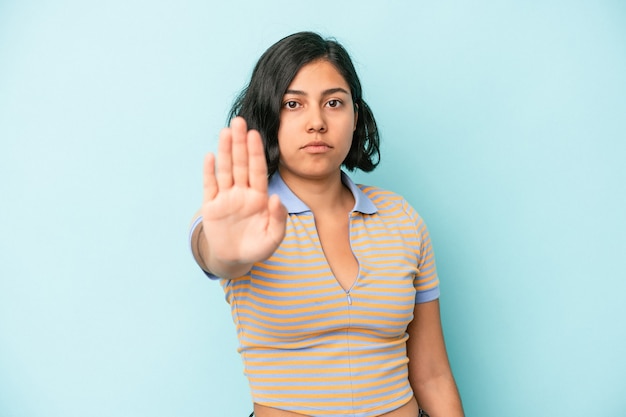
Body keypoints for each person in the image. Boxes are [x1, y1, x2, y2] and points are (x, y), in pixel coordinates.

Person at [189, 31, 464, 417]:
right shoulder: (244, 216)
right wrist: (224, 252)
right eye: (292, 104)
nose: (316, 122)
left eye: (334, 102)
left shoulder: (402, 217)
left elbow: (433, 375)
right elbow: (216, 252)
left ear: (355, 116)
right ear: (269, 115)